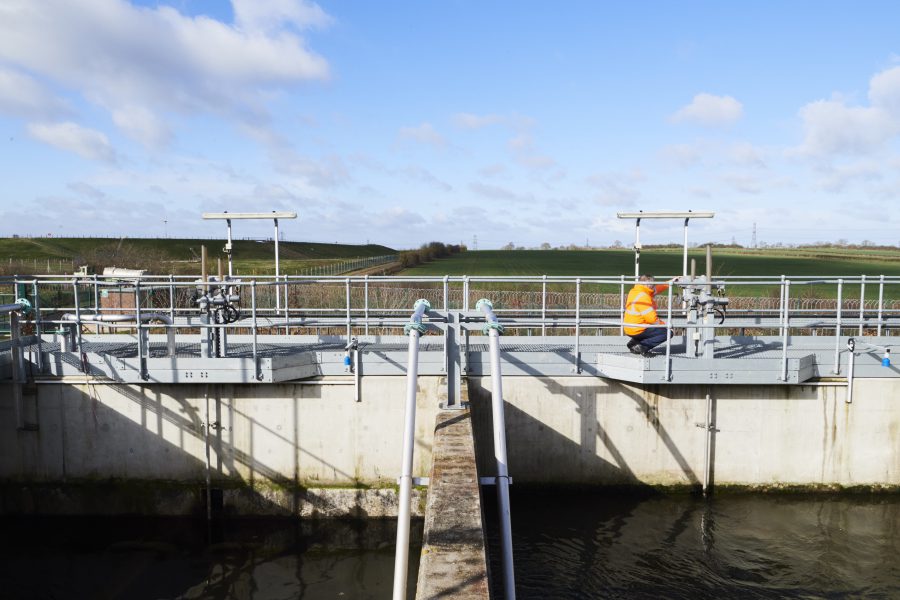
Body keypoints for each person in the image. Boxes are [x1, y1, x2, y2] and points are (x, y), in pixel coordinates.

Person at [624, 274, 680, 356]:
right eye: (652, 284)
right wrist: (665, 325)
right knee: (667, 333)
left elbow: (657, 289)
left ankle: (634, 342)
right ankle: (642, 346)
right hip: (637, 329)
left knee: (653, 329)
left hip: (629, 327)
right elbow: (652, 319)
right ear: (647, 284)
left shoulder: (635, 291)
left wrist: (671, 282)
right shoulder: (644, 297)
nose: (654, 286)